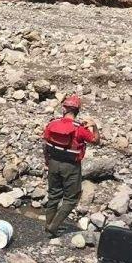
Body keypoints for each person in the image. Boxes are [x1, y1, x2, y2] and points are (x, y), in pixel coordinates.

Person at [42, 94, 101, 236]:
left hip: (53, 162)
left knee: (53, 195)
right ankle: (53, 227)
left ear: (64, 109)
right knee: (71, 198)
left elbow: (45, 144)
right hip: (71, 166)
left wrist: (47, 161)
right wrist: (94, 126)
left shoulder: (52, 124)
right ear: (77, 111)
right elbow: (96, 141)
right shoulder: (80, 129)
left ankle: (48, 225)